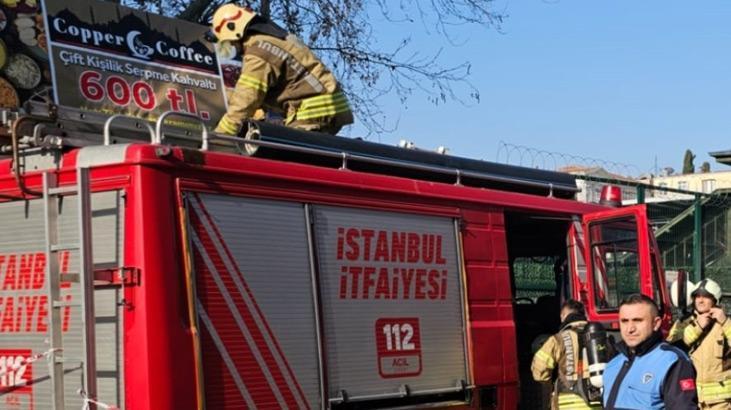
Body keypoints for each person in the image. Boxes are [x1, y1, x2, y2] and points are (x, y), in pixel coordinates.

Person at [207, 4, 354, 136]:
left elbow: (246, 100)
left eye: (228, 43)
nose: (232, 47)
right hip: (330, 109)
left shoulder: (258, 52)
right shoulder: (273, 39)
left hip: (312, 113)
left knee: (284, 156)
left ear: (235, 32)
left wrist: (221, 136)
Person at [603, 294, 698, 409]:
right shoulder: (613, 364)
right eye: (624, 321)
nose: (630, 329)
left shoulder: (671, 362)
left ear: (656, 323)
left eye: (637, 321)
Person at [667, 279, 731, 409]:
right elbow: (671, 347)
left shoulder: (725, 322)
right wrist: (698, 327)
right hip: (690, 396)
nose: (700, 301)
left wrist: (724, 322)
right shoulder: (683, 322)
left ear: (715, 299)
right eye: (697, 296)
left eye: (705, 297)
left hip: (720, 400)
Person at [531, 299, 602, 409]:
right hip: (596, 403)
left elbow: (539, 371)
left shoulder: (558, 340)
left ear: (563, 316)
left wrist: (550, 383)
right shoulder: (599, 337)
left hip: (567, 404)